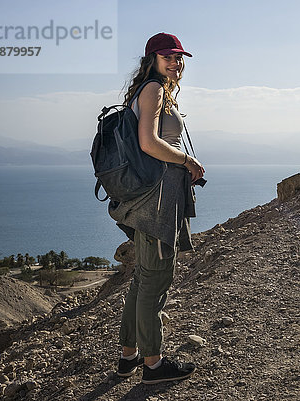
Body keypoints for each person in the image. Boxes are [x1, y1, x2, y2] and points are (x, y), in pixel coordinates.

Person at [110, 32, 205, 384]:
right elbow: (148, 142)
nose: (176, 63)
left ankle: (128, 356)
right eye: (168, 57)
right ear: (152, 59)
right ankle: (153, 365)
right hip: (157, 203)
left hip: (150, 198)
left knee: (142, 279)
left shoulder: (150, 90)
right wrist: (187, 160)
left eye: (180, 57)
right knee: (155, 280)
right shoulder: (153, 90)